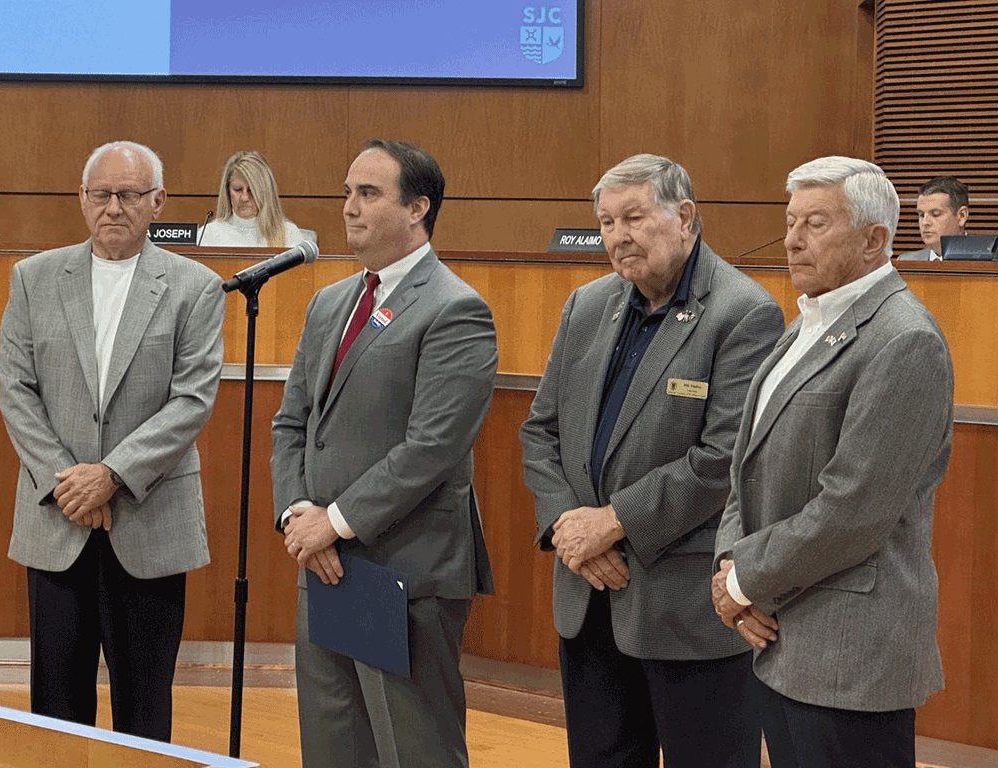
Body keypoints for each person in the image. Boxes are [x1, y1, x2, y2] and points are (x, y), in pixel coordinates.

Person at [519, 153, 784, 768]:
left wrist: (611, 522)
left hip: (685, 610)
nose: (617, 236)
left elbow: (722, 459)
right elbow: (540, 432)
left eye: (634, 217)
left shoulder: (744, 312)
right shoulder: (586, 305)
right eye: (607, 222)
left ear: (685, 217)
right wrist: (569, 527)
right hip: (588, 592)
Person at [712, 156, 953, 768]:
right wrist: (730, 568)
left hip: (852, 658)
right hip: (780, 639)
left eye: (815, 223)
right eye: (791, 221)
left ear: (874, 239)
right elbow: (745, 468)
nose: (792, 239)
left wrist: (742, 582)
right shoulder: (805, 323)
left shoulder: (905, 340)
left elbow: (854, 509)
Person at [270, 138, 497, 768]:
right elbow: (291, 423)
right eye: (347, 191)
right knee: (333, 745)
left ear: (419, 206)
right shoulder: (329, 302)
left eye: (368, 193)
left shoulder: (455, 309)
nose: (348, 207)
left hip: (404, 569)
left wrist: (332, 523)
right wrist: (296, 516)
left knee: (414, 751)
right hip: (322, 563)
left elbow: (431, 448)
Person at [0, 140, 225, 741]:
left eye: (129, 195)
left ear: (158, 202)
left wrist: (112, 475)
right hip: (57, 518)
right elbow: (15, 390)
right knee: (56, 704)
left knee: (144, 708)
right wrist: (68, 481)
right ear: (82, 199)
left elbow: (192, 399)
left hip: (149, 520)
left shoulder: (194, 286)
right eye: (102, 194)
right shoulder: (33, 278)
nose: (114, 207)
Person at [198, 150, 306, 247]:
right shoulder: (208, 235)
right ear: (227, 191)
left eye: (251, 190)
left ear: (265, 192)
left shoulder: (289, 234)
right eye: (238, 189)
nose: (244, 198)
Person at [896, 175, 969, 260]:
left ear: (961, 216)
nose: (925, 222)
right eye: (921, 215)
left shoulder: (985, 261)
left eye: (935, 214)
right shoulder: (905, 261)